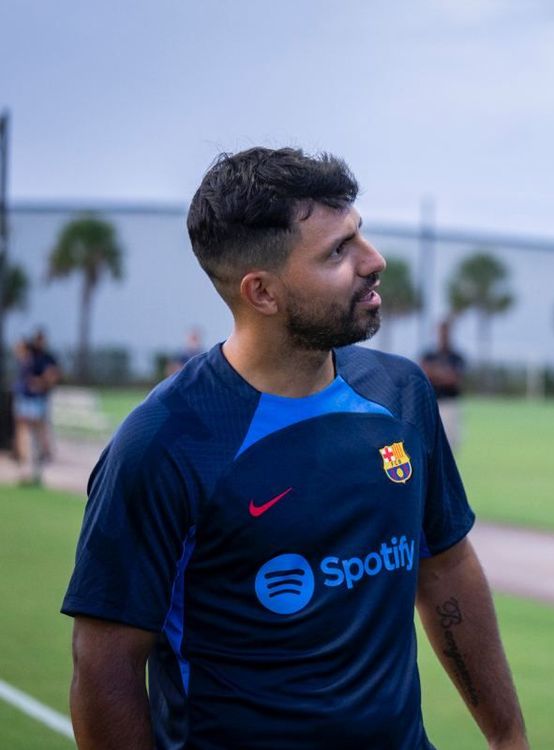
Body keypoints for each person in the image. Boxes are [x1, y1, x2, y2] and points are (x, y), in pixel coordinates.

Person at [62, 147, 528, 750]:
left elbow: (446, 568)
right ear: (262, 292)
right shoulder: (164, 443)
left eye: (359, 234)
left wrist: (509, 737)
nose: (374, 260)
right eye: (338, 251)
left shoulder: (401, 393)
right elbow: (105, 667)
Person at [13, 329, 60, 484]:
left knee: (39, 436)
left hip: (38, 400)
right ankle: (24, 469)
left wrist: (41, 382)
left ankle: (36, 471)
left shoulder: (47, 358)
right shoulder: (29, 355)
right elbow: (18, 351)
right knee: (24, 434)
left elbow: (52, 376)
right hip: (25, 398)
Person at [420, 319, 467, 449]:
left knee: (450, 444)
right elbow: (424, 374)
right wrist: (442, 373)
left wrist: (435, 372)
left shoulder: (456, 357)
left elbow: (453, 379)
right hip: (432, 403)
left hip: (449, 404)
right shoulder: (429, 355)